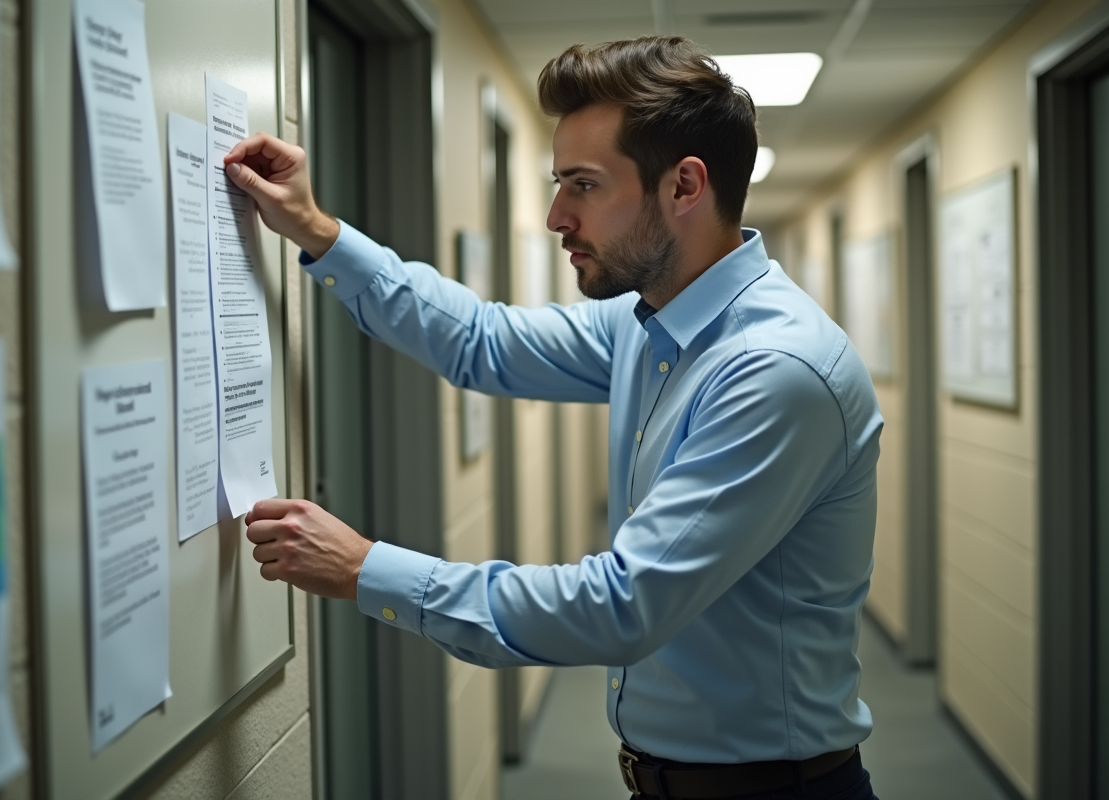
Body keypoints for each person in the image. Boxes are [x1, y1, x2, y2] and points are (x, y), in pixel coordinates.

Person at [226, 36, 882, 800]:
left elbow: (622, 607)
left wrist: (367, 569)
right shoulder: (650, 326)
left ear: (684, 186)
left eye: (583, 184)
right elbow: (481, 341)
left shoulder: (775, 371)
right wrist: (317, 229)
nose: (554, 216)